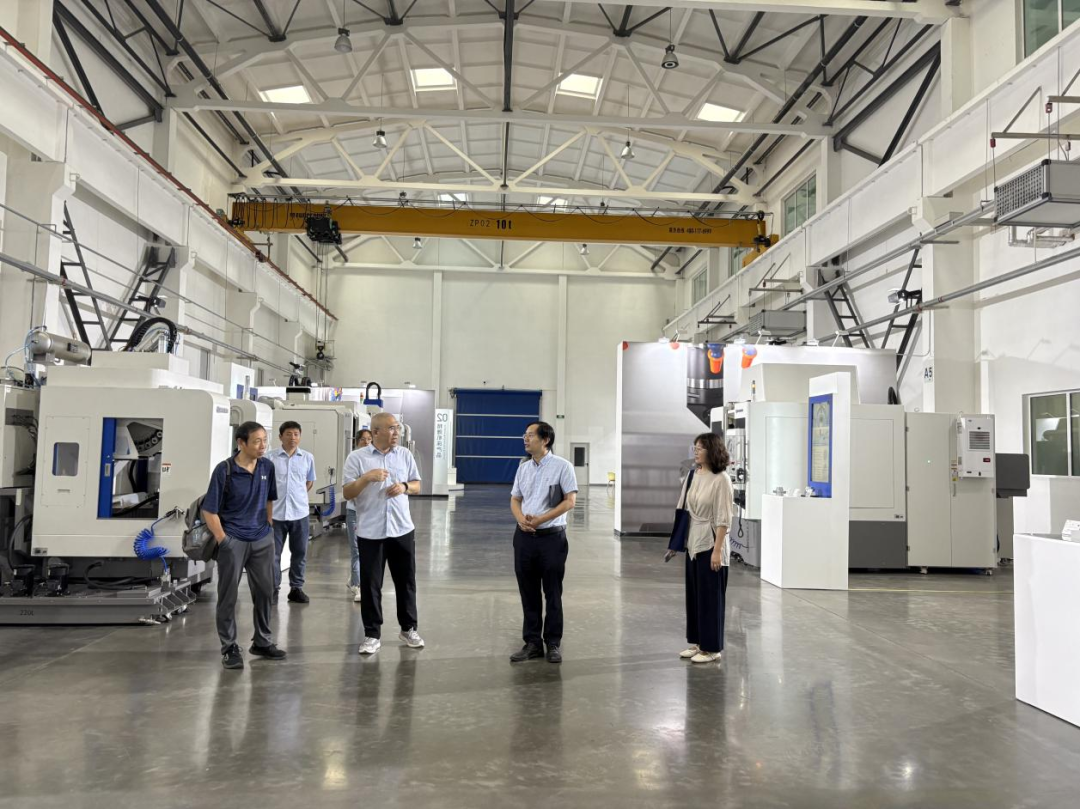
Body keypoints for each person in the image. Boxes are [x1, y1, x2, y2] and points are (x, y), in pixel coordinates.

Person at [201, 421, 286, 670]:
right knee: (228, 595)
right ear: (241, 443)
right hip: (233, 539)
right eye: (257, 441)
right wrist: (223, 540)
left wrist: (268, 526)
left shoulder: (267, 466)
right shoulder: (225, 470)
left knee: (265, 591)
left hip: (261, 538)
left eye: (265, 440)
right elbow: (209, 510)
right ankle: (229, 647)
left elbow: (269, 499)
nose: (263, 446)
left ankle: (262, 641)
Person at [342, 412, 424, 654]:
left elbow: (417, 485)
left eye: (397, 428)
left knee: (406, 582)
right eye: (391, 428)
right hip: (371, 532)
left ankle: (408, 628)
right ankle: (372, 634)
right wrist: (367, 478)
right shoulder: (357, 458)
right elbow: (347, 493)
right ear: (376, 432)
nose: (396, 432)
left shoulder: (405, 454)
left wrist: (405, 487)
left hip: (402, 529)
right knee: (371, 585)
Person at [509, 421, 578, 664]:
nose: (525, 439)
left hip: (552, 539)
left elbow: (569, 501)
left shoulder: (563, 466)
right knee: (528, 592)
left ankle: (553, 643)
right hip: (524, 538)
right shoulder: (523, 468)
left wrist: (541, 520)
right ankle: (532, 643)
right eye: (525, 435)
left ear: (545, 439)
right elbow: (515, 499)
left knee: (553, 592)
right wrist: (521, 520)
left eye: (530, 435)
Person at [664, 433, 733, 664]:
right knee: (694, 596)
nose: (696, 451)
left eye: (700, 448)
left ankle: (712, 648)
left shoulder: (721, 479)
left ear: (712, 450)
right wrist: (675, 545)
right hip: (694, 542)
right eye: (695, 447)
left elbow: (724, 518)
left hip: (711, 542)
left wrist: (717, 550)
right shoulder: (693, 475)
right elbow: (682, 509)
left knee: (710, 598)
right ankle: (698, 643)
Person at [267, 420, 316, 604]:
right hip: (276, 514)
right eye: (288, 434)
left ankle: (296, 588)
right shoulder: (270, 458)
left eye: (296, 434)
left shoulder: (307, 457)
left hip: (300, 513)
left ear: (300, 437)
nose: (293, 438)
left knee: (300, 553)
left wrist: (298, 495)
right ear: (280, 437)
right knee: (273, 554)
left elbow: (309, 481)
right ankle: (273, 589)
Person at [345, 428, 373, 602]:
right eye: (363, 439)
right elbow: (349, 488)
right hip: (354, 511)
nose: (367, 442)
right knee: (357, 550)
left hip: (371, 512)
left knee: (368, 551)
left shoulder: (375, 460)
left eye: (369, 439)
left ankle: (355, 579)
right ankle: (358, 586)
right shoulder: (353, 460)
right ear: (357, 442)